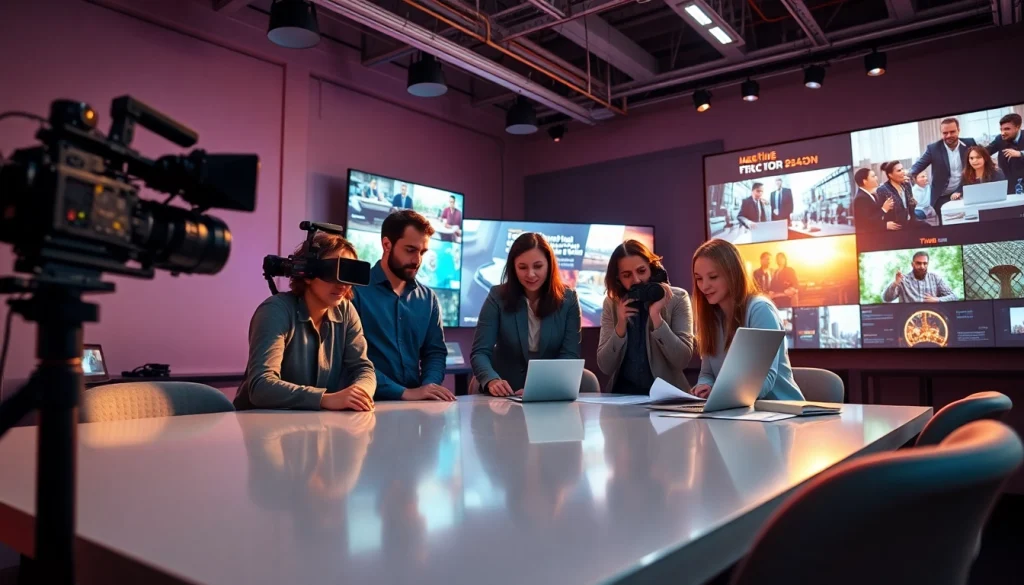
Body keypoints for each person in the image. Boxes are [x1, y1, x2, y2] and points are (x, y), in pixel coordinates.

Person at [235, 233, 375, 411]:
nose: (343, 285)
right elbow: (261, 386)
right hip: (261, 426)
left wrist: (360, 393)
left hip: (315, 425)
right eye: (333, 272)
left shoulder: (346, 310)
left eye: (348, 274)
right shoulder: (275, 310)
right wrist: (323, 399)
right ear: (307, 274)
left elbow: (363, 368)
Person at [471, 232, 599, 396]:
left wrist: (541, 388)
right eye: (522, 267)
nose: (530, 274)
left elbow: (569, 355)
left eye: (538, 266)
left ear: (549, 265)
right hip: (505, 393)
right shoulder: (497, 296)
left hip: (550, 391)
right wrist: (491, 380)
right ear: (513, 268)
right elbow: (480, 352)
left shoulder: (569, 299)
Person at [352, 210, 455, 402]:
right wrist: (403, 393)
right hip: (367, 405)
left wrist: (428, 388)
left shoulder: (428, 299)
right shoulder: (354, 292)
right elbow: (351, 359)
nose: (417, 260)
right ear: (386, 244)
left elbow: (435, 352)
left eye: (422, 252)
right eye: (410, 250)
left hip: (416, 409)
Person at [689, 239, 803, 401]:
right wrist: (704, 386)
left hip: (780, 413)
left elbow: (765, 379)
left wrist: (721, 395)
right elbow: (707, 374)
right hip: (737, 412)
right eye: (699, 279)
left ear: (733, 274)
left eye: (713, 277)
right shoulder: (711, 317)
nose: (704, 286)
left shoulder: (760, 309)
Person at [597, 240, 695, 394]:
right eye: (627, 275)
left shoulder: (678, 298)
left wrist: (656, 317)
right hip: (622, 398)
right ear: (618, 279)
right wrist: (620, 325)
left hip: (668, 398)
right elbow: (605, 366)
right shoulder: (612, 304)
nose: (636, 280)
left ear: (652, 268)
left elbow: (682, 359)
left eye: (641, 271)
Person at [909, 117, 977, 221]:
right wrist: (909, 173)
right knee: (947, 227)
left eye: (952, 132)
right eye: (945, 133)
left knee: (967, 222)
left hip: (963, 191)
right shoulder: (933, 148)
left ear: (959, 130)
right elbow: (918, 165)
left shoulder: (969, 143)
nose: (949, 135)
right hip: (942, 196)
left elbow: (979, 159)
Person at [882, 250, 957, 303]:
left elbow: (954, 297)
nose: (922, 266)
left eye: (925, 263)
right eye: (918, 263)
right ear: (912, 264)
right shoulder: (903, 280)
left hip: (932, 321)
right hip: (908, 321)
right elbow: (886, 299)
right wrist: (895, 283)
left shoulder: (936, 278)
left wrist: (937, 300)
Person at [876, 161, 922, 229]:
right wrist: (884, 225)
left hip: (910, 222)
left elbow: (911, 207)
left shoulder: (906, 185)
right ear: (890, 175)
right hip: (896, 227)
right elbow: (878, 213)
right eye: (899, 170)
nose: (903, 172)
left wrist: (912, 202)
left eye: (902, 169)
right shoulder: (882, 190)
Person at [985, 113, 1023, 195]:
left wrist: (1020, 153)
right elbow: (986, 151)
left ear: (1017, 127)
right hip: (1007, 184)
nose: (1002, 133)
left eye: (1007, 129)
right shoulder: (999, 139)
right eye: (1001, 129)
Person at [852, 167, 897, 233]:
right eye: (873, 176)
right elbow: (865, 222)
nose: (876, 178)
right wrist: (884, 210)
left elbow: (875, 213)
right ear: (865, 181)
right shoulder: (861, 198)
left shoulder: (870, 195)